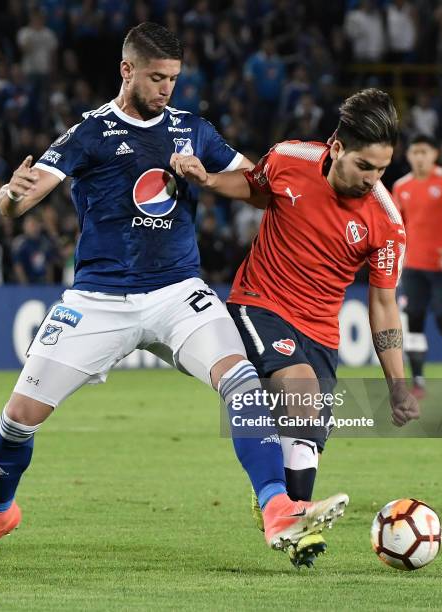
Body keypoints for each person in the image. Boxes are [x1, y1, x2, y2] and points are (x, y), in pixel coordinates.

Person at [0, 22, 347, 572]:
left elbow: (257, 188)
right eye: (157, 78)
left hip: (178, 292)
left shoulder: (193, 130)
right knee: (17, 419)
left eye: (174, 79)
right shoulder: (89, 133)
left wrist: (204, 177)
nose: (166, 89)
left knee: (243, 383)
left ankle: (276, 507)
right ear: (126, 70)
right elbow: (23, 196)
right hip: (99, 298)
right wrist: (9, 197)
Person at [170, 87, 420, 555]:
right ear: (337, 148)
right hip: (258, 302)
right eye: (365, 167)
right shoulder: (290, 157)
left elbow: (383, 305)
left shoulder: (386, 222)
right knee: (299, 390)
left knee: (305, 439)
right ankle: (289, 515)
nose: (373, 179)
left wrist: (397, 385)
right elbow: (255, 188)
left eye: (383, 169)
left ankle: (290, 523)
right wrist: (207, 180)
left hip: (321, 332)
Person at [392, 134, 442, 397]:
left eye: (424, 152)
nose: (419, 157)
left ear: (435, 154)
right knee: (412, 321)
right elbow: (395, 226)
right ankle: (418, 383)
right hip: (413, 267)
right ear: (408, 156)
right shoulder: (402, 187)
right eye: (415, 152)